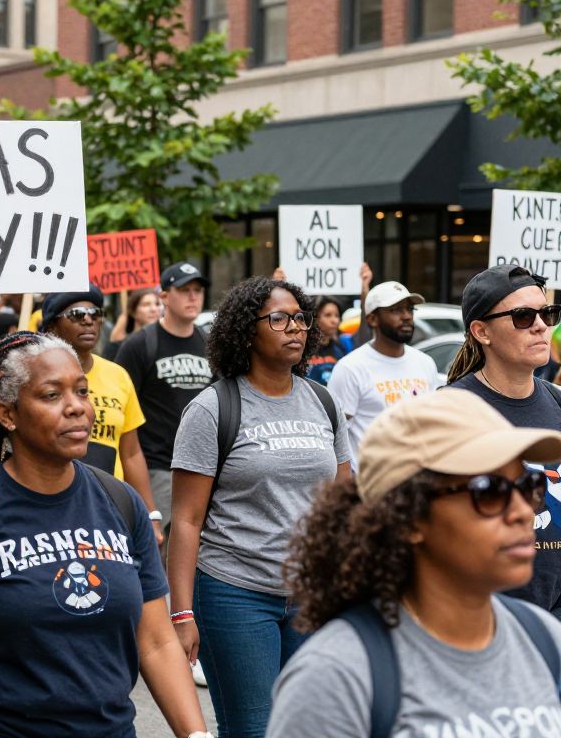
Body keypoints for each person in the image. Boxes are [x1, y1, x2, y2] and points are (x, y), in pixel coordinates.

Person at [0, 332, 211, 738]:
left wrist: (197, 734)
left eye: (81, 391)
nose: (77, 407)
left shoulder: (121, 503)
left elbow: (155, 642)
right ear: (8, 415)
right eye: (51, 395)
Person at [267, 388, 561, 737]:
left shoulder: (544, 639)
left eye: (528, 485)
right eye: (489, 491)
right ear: (408, 517)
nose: (523, 511)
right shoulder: (338, 677)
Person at [167, 276, 351, 737]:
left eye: (301, 318)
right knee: (255, 728)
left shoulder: (323, 402)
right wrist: (182, 614)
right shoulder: (212, 409)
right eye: (279, 319)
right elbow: (187, 521)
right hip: (234, 593)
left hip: (311, 593)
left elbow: (343, 506)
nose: (295, 328)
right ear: (247, 332)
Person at [446, 264, 561, 616]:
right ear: (481, 331)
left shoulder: (557, 401)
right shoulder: (447, 411)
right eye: (523, 316)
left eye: (548, 313)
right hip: (483, 620)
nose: (541, 325)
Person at [40, 286, 163, 543]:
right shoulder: (33, 379)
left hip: (110, 507)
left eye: (95, 313)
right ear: (51, 326)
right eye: (76, 313)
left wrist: (151, 513)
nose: (88, 319)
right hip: (51, 506)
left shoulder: (118, 375)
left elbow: (130, 452)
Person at [115, 261, 213, 540]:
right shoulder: (139, 345)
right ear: (165, 297)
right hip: (158, 468)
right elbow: (121, 406)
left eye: (197, 290)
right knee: (162, 552)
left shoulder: (209, 344)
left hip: (202, 468)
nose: (193, 297)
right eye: (184, 290)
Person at [327, 280, 440, 468]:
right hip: (370, 487)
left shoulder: (425, 363)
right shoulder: (350, 368)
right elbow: (335, 438)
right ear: (372, 319)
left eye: (409, 310)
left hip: (419, 483)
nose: (406, 316)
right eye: (396, 310)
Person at [105, 288, 163, 361]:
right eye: (146, 305)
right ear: (133, 311)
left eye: (157, 304)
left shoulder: (167, 341)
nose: (154, 309)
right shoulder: (121, 344)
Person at [306, 296, 350, 385]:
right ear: (315, 318)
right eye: (328, 315)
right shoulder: (302, 349)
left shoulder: (342, 348)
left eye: (337, 315)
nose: (335, 321)